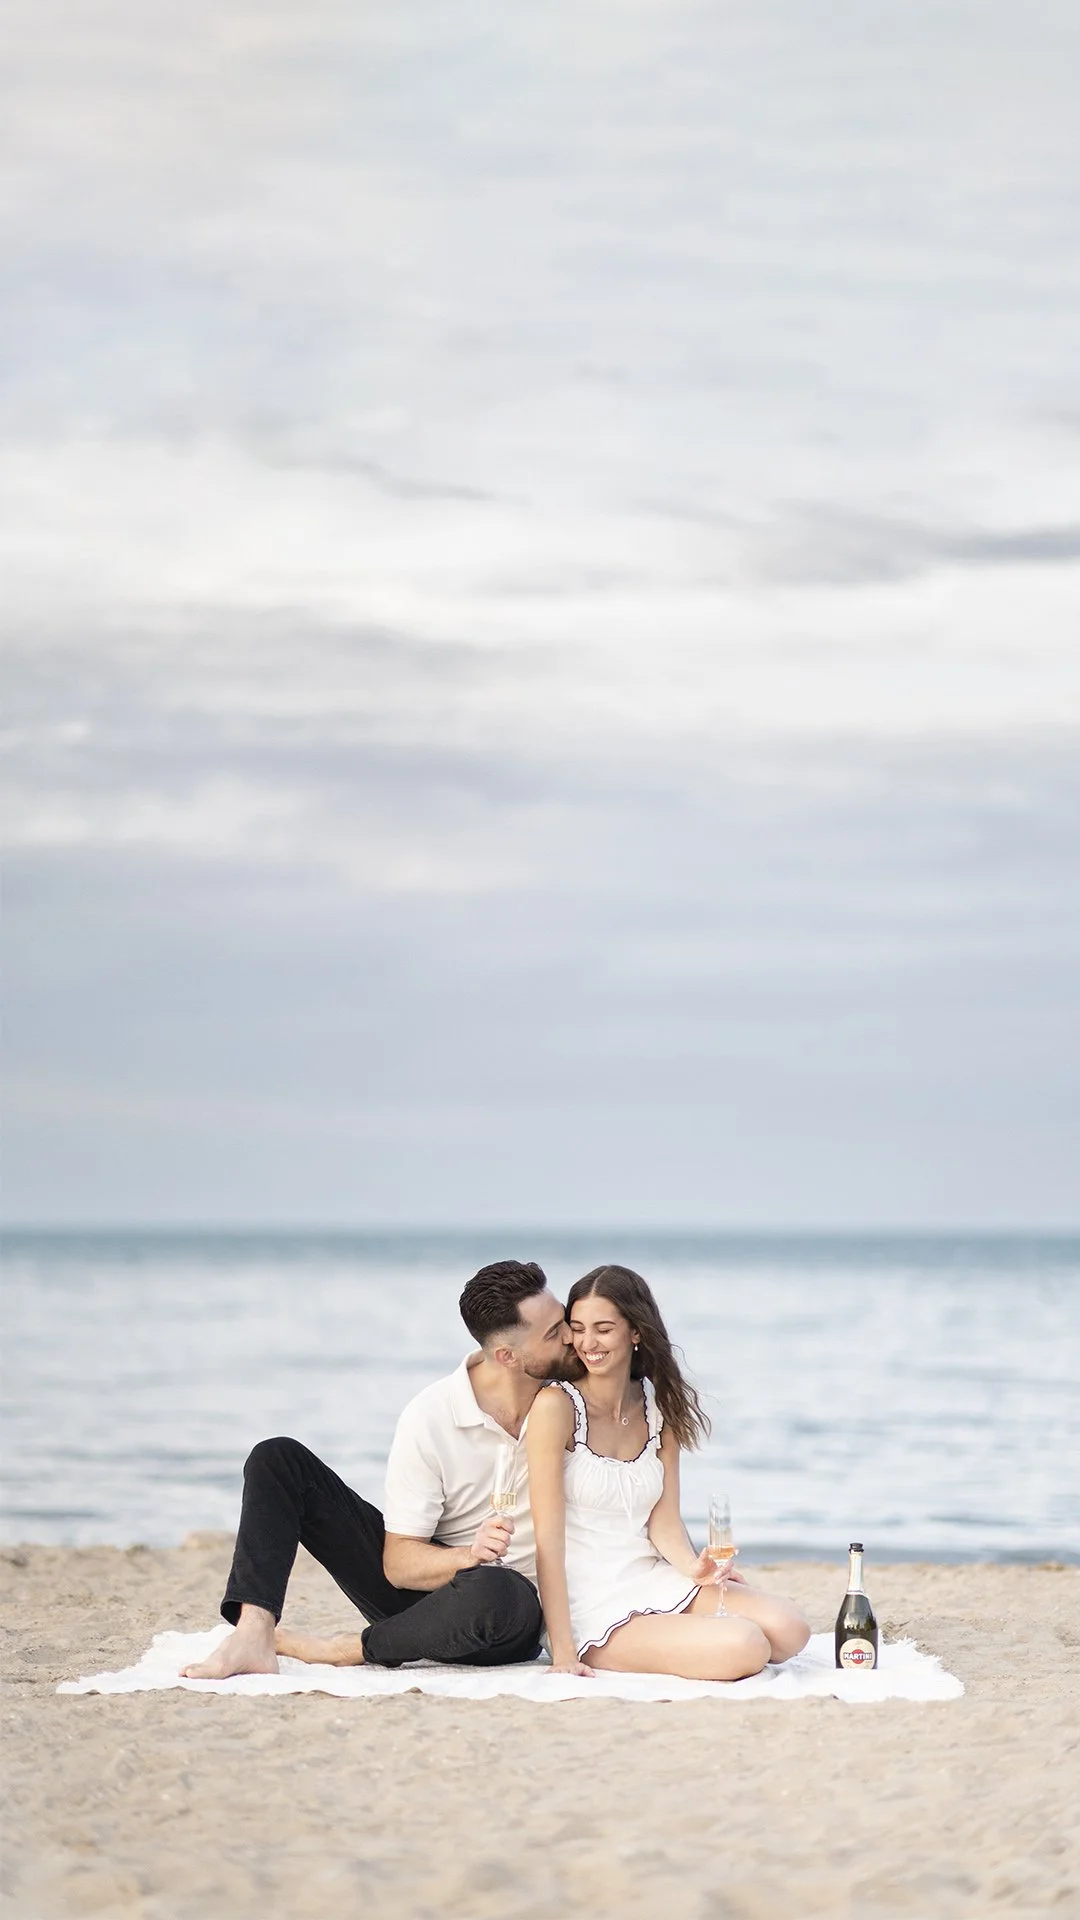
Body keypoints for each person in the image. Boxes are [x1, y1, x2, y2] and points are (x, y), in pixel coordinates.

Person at [181, 1259, 573, 1679]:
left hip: (510, 1613)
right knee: (277, 1459)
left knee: (499, 1589)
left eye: (564, 1320)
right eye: (554, 1334)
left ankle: (344, 1649)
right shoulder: (432, 1415)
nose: (572, 1337)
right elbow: (399, 1564)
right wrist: (469, 1556)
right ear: (507, 1356)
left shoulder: (573, 1398)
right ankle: (253, 1631)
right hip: (426, 1592)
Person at [527, 1264, 811, 1679]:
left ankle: (688, 1634)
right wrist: (564, 1651)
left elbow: (664, 1520)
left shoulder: (658, 1406)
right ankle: (678, 1642)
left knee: (791, 1630)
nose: (588, 1343)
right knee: (746, 1645)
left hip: (653, 1576)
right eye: (578, 1328)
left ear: (635, 1332)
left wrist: (694, 1569)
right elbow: (546, 1542)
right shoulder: (556, 1407)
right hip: (590, 1601)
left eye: (604, 1329)